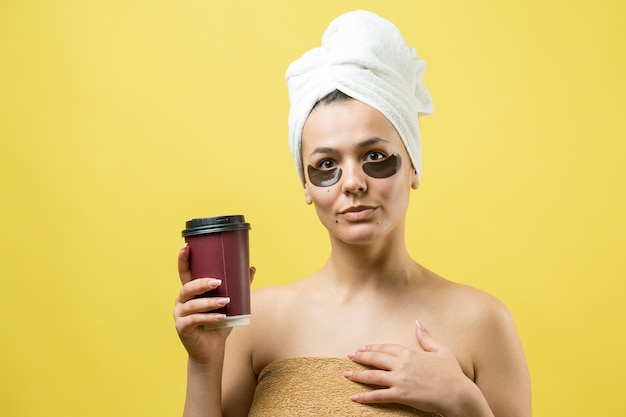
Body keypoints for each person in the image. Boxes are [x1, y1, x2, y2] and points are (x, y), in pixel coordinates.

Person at [174, 10, 531, 417]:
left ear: (413, 165)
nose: (352, 183)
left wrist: (465, 403)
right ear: (306, 185)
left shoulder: (482, 323)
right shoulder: (258, 321)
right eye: (326, 165)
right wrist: (203, 363)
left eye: (375, 156)